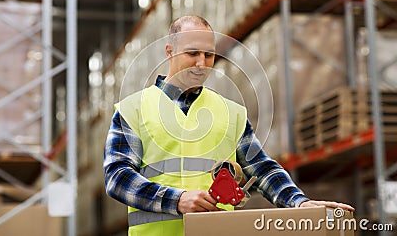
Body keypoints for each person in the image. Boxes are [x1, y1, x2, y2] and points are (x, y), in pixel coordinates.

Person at [104, 15, 354, 236]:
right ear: (169, 51)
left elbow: (261, 168)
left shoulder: (230, 112)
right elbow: (117, 177)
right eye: (192, 53)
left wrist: (298, 203)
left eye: (209, 55)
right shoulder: (133, 109)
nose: (202, 63)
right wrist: (177, 200)